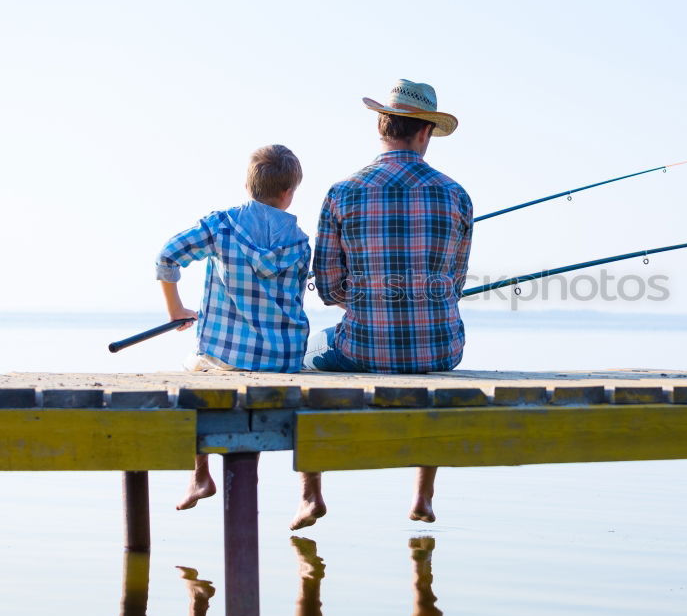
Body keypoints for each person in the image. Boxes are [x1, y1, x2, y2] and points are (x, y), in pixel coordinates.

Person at [300, 79, 472, 528]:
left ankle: (311, 494)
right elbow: (453, 285)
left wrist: (368, 303)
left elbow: (330, 287)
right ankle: (423, 496)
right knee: (428, 371)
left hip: (361, 348)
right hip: (441, 351)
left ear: (381, 127)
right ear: (425, 133)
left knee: (305, 352)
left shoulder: (342, 193)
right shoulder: (456, 196)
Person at [154, 144, 311, 512]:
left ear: (246, 184)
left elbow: (167, 255)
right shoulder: (300, 243)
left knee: (192, 376)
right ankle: (307, 491)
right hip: (284, 359)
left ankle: (200, 475)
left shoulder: (221, 226)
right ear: (288, 194)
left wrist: (176, 308)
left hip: (226, 356)